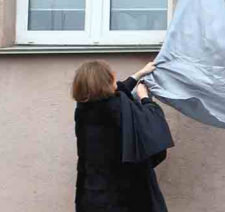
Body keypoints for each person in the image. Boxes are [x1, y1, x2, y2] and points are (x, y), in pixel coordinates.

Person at [72, 61, 174, 212]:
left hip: (92, 195)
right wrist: (145, 99)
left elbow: (113, 96)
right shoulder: (118, 107)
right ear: (109, 80)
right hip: (125, 196)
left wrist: (138, 74)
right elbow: (152, 127)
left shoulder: (82, 110)